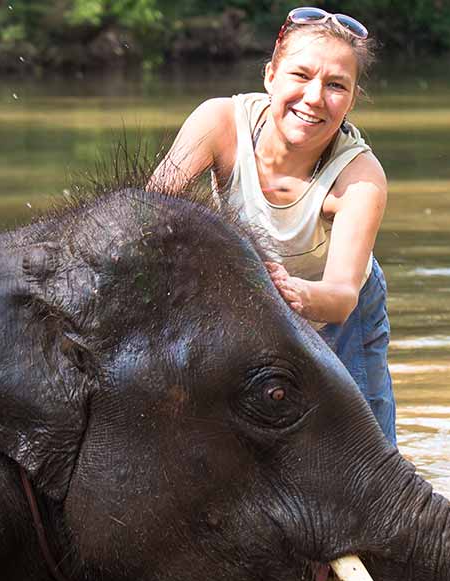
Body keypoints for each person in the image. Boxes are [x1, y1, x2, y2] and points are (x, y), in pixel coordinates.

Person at [147, 7, 396, 445]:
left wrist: (292, 292)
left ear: (352, 99)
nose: (315, 97)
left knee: (366, 449)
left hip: (341, 306)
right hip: (250, 293)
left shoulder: (359, 177)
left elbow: (340, 297)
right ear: (270, 77)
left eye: (336, 85)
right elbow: (148, 215)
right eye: (300, 75)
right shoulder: (220, 123)